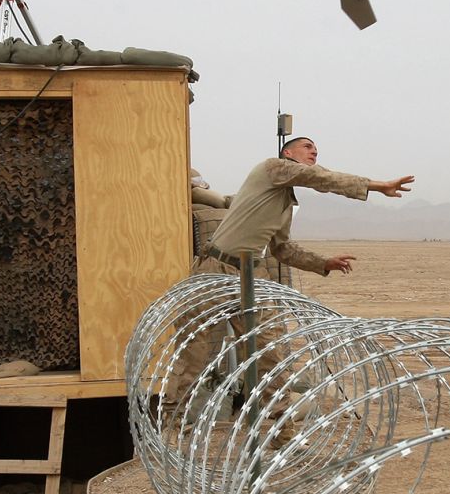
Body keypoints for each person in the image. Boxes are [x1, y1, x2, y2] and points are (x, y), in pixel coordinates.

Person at [162, 136, 414, 407]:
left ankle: (278, 430)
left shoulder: (283, 203)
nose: (314, 151)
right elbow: (321, 179)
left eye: (316, 149)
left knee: (270, 353)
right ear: (287, 152)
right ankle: (172, 422)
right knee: (192, 356)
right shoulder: (272, 167)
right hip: (215, 268)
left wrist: (322, 263)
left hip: (250, 275)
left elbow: (282, 249)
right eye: (307, 147)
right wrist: (377, 186)